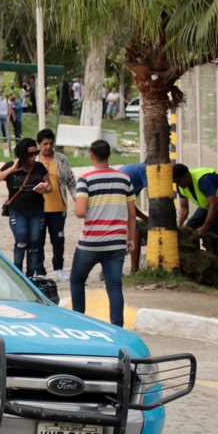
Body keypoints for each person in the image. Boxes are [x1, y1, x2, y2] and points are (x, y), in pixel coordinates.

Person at [71, 139, 138, 327]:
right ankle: (117, 327)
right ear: (110, 154)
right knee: (114, 286)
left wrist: (77, 203)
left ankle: (78, 323)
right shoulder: (125, 179)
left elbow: (80, 213)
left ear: (91, 156)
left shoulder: (85, 180)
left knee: (77, 280)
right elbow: (132, 214)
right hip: (116, 243)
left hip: (91, 243)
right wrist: (130, 238)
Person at [0, 137, 49, 277]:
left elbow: (50, 186)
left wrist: (44, 189)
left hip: (36, 209)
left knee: (35, 242)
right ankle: (17, 273)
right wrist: (11, 169)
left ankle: (30, 275)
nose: (34, 157)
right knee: (21, 239)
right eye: (30, 154)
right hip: (18, 209)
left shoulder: (39, 167)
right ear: (22, 153)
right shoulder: (12, 165)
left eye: (36, 153)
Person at [171, 162, 218, 256]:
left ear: (186, 175)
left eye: (179, 181)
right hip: (209, 202)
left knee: (211, 231)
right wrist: (179, 225)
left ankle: (213, 260)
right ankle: (194, 257)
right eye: (175, 182)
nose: (178, 184)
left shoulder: (204, 180)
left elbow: (214, 206)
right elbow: (184, 208)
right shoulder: (180, 186)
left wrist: (204, 228)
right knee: (190, 227)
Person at [35, 128, 76, 279]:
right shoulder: (34, 160)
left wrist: (75, 196)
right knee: (38, 240)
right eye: (45, 143)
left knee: (58, 240)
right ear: (39, 144)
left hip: (58, 207)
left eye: (51, 144)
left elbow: (71, 180)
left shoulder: (61, 159)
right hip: (38, 208)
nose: (48, 147)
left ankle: (59, 268)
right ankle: (39, 271)